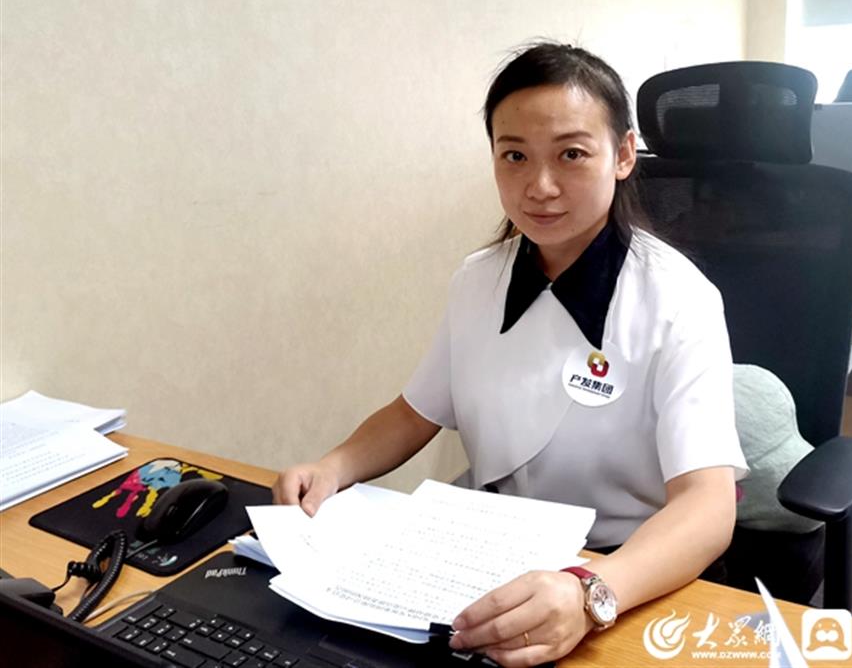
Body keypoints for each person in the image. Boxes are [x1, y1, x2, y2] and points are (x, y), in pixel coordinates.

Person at [273, 42, 748, 667]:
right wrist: (333, 468)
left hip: (621, 568)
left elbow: (708, 506)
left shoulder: (678, 297)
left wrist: (589, 593)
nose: (539, 187)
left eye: (572, 154)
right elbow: (415, 412)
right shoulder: (479, 277)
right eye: (515, 156)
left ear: (624, 155)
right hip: (487, 553)